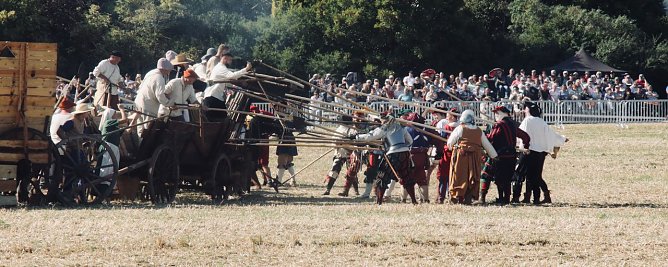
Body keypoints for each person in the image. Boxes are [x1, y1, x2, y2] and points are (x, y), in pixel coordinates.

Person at [355, 114, 415, 205]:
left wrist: (356, 137)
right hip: (405, 154)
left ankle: (379, 201)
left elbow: (370, 136)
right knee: (406, 177)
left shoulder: (384, 128)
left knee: (382, 177)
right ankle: (414, 200)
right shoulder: (401, 127)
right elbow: (410, 141)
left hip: (393, 154)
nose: (381, 122)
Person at [517, 101, 568, 204]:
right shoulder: (541, 121)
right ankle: (536, 197)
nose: (524, 110)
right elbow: (551, 135)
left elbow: (520, 135)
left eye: (525, 108)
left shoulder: (527, 121)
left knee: (525, 175)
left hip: (528, 151)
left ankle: (526, 197)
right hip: (540, 154)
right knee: (535, 176)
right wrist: (562, 139)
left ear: (529, 110)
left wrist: (518, 146)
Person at [480, 106, 530, 204]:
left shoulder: (499, 125)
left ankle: (484, 198)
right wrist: (526, 146)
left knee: (486, 175)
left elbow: (491, 138)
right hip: (511, 156)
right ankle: (505, 199)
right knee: (507, 179)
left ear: (503, 113)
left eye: (497, 113)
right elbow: (525, 136)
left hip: (499, 156)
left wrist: (483, 136)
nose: (496, 115)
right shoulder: (513, 124)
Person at [446, 110, 498, 204]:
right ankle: (468, 198)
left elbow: (449, 143)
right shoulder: (479, 131)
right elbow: (487, 145)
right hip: (475, 157)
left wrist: (452, 147)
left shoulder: (460, 128)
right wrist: (494, 155)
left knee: (459, 176)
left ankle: (458, 197)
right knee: (472, 176)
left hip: (461, 157)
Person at [134, 58, 173, 136]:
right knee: (148, 128)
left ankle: (139, 146)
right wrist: (169, 104)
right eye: (169, 70)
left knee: (140, 129)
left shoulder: (150, 73)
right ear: (165, 69)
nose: (169, 72)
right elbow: (160, 95)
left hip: (138, 103)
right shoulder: (159, 78)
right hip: (149, 106)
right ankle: (145, 147)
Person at [323, 115, 359, 195]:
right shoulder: (340, 128)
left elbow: (355, 142)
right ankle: (328, 190)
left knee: (352, 173)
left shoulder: (353, 130)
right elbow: (334, 141)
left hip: (350, 154)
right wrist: (337, 144)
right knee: (334, 171)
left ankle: (355, 190)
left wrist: (345, 143)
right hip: (340, 153)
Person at [403, 113, 431, 203]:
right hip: (422, 155)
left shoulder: (406, 130)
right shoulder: (425, 130)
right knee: (422, 179)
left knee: (407, 178)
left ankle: (403, 199)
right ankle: (425, 199)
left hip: (411, 156)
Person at [435, 108, 459, 203]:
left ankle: (441, 197)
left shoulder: (448, 127)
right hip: (458, 153)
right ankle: (452, 195)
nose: (447, 118)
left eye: (448, 116)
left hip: (448, 153)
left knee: (444, 175)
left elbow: (442, 138)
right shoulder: (461, 127)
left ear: (453, 117)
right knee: (454, 175)